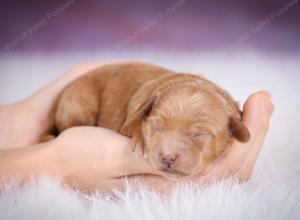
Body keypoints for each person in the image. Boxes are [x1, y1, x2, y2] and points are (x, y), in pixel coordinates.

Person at [0, 62, 274, 194]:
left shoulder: (226, 116)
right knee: (76, 101)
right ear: (147, 116)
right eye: (156, 127)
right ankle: (54, 132)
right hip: (90, 91)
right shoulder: (142, 108)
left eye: (198, 134)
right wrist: (54, 162)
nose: (169, 153)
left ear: (235, 130)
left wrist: (24, 116)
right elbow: (133, 117)